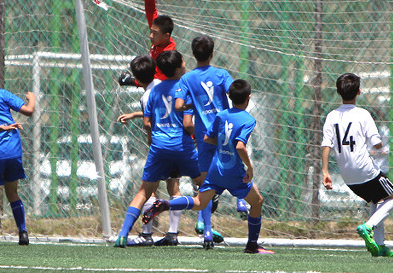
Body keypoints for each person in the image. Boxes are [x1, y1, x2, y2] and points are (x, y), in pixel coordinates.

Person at [145, 79, 273, 254]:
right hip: (234, 172)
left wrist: (223, 146)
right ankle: (252, 245)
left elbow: (207, 138)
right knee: (257, 202)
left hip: (215, 169)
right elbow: (240, 146)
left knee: (199, 202)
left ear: (229, 97)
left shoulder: (221, 115)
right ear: (248, 98)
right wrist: (249, 168)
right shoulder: (248, 120)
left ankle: (166, 204)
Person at [113, 50, 207, 248]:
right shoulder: (185, 89)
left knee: (144, 192)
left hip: (159, 146)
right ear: (178, 68)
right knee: (206, 186)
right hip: (182, 145)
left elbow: (147, 123)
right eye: (183, 62)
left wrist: (152, 139)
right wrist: (200, 137)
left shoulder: (153, 92)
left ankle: (122, 234)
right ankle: (206, 232)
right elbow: (188, 124)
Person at [321, 73, 393, 258]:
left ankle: (380, 245)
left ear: (338, 92)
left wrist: (325, 171)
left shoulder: (331, 116)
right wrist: (382, 145)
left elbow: (326, 145)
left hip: (347, 175)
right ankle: (368, 227)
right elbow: (376, 143)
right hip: (365, 169)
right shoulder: (363, 114)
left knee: (376, 200)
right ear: (359, 92)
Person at [174, 34, 249, 223]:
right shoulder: (221, 74)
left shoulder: (187, 79)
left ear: (193, 54)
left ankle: (203, 224)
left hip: (204, 135)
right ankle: (241, 201)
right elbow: (234, 93)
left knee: (206, 183)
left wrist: (192, 105)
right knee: (235, 164)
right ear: (212, 54)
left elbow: (178, 106)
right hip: (224, 132)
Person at [0, 62, 35, 246]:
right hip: (12, 149)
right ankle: (23, 233)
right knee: (13, 193)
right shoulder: (2, 94)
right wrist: (32, 98)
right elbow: (28, 111)